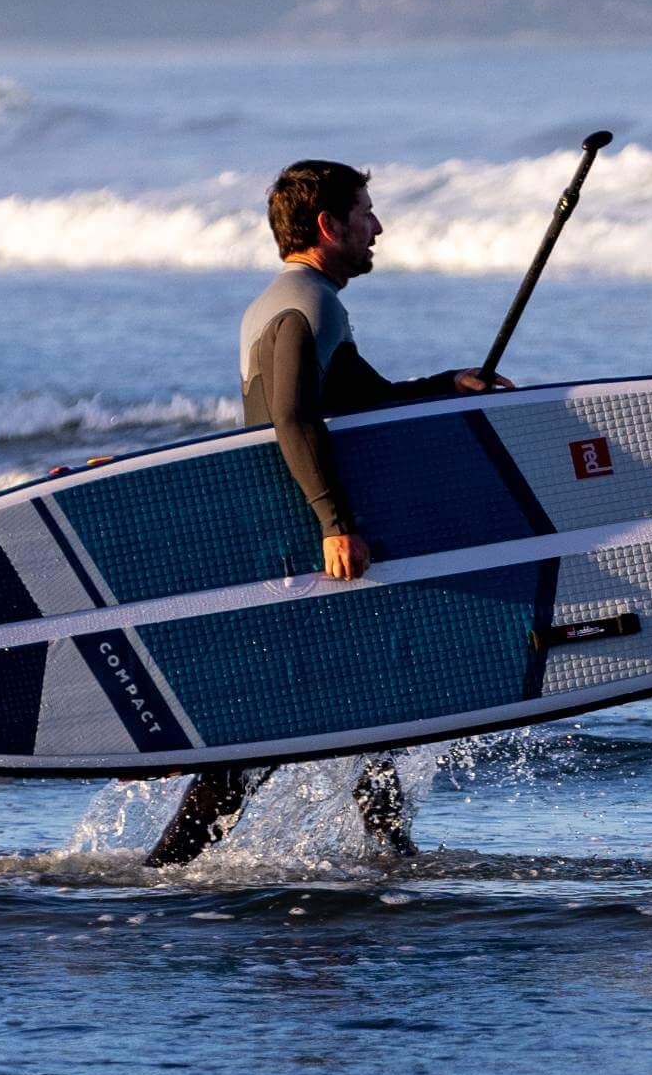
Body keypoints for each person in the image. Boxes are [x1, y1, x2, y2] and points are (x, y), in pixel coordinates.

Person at [144, 159, 508, 867]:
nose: (377, 226)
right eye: (366, 212)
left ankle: (392, 853)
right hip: (300, 541)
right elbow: (291, 414)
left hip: (284, 540)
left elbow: (361, 399)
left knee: (351, 709)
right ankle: (168, 870)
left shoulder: (292, 299)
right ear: (327, 225)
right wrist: (334, 521)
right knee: (280, 729)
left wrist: (448, 384)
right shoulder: (309, 303)